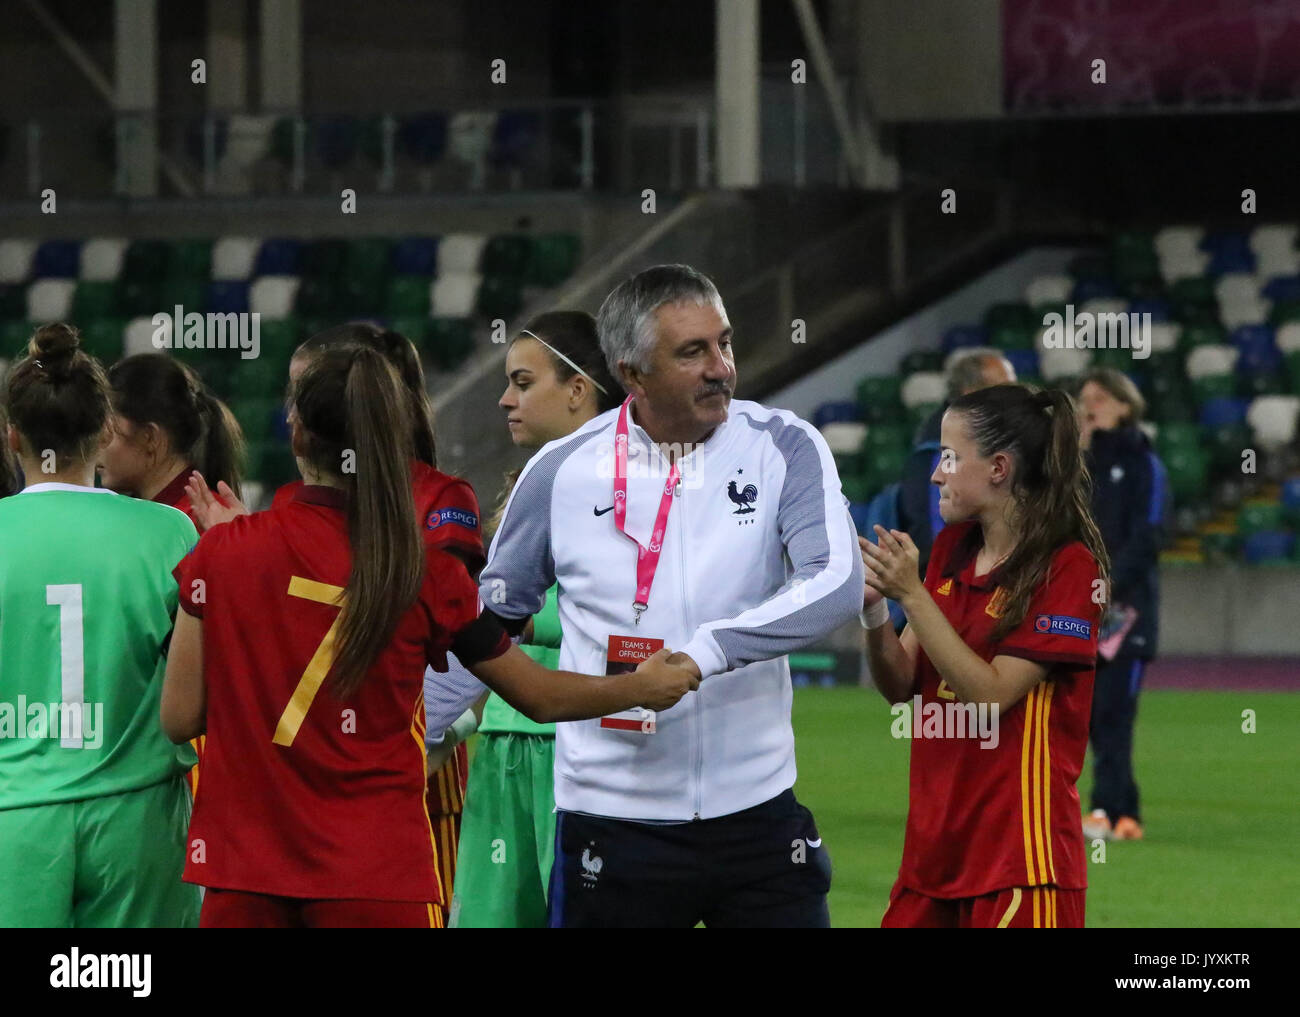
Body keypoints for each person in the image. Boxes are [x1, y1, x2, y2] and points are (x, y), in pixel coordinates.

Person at [161, 343, 697, 928]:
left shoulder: (222, 551)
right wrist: (639, 687)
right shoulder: (424, 567)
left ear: (296, 436)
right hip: (376, 877)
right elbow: (538, 696)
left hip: (243, 877)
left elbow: (181, 717)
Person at [480, 264, 864, 928]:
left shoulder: (784, 445)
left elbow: (835, 583)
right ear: (631, 372)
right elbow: (488, 623)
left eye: (726, 343)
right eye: (693, 352)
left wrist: (705, 652)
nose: (722, 367)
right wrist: (427, 729)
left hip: (758, 814)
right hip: (610, 820)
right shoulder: (560, 471)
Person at [186, 322, 483, 922]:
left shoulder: (438, 502)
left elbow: (453, 645)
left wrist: (434, 734)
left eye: (303, 393)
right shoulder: (272, 527)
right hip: (303, 812)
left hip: (403, 781)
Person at [862, 383, 1109, 929]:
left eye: (949, 458)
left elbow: (992, 695)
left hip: (1021, 862)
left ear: (999, 468)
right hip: (933, 857)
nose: (935, 474)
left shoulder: (1068, 569)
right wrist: (877, 611)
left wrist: (914, 595)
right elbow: (900, 684)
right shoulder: (952, 548)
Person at [0, 324, 199, 928]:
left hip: (17, 819)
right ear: (105, 428)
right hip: (138, 826)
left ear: (12, 436)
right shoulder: (170, 534)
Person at [451, 310, 623, 928]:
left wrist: (521, 622)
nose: (505, 400)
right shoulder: (526, 485)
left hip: (585, 745)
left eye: (523, 383)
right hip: (502, 738)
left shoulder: (637, 485)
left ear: (578, 389)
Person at [99, 353, 245, 800]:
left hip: (187, 776)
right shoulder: (155, 519)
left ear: (150, 439)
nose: (96, 447)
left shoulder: (193, 529)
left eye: (108, 433)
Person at [1076, 368, 1169, 842]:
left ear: (1125, 406)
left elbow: (1150, 533)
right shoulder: (1076, 466)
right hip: (1083, 611)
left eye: (1100, 398)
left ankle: (1105, 811)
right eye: (1084, 398)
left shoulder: (1142, 463)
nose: (1088, 405)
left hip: (1125, 613)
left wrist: (1107, 585)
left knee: (1114, 712)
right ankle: (1124, 814)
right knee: (1090, 713)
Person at [898, 347, 1016, 581]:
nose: (1014, 401)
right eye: (1004, 390)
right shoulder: (936, 453)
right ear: (970, 394)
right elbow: (936, 547)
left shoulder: (991, 444)